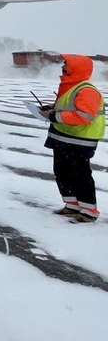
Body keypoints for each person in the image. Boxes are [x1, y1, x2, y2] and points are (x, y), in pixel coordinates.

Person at [40, 54, 105, 223]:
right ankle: (72, 205)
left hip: (80, 139)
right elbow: (68, 107)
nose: (63, 67)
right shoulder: (70, 87)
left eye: (66, 64)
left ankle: (89, 210)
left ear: (76, 68)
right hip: (63, 137)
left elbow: (83, 116)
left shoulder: (87, 90)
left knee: (80, 174)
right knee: (62, 172)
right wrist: (51, 108)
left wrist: (53, 116)